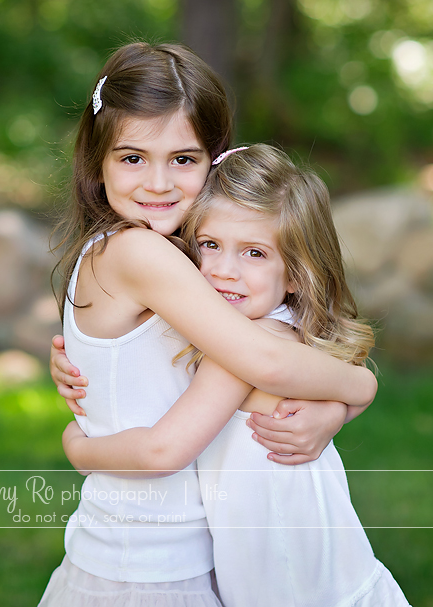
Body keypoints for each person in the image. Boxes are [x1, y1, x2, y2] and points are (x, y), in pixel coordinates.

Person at [38, 42, 377, 607]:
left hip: (163, 554)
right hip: (146, 572)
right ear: (96, 162)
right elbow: (266, 360)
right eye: (131, 158)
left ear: (215, 160)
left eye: (184, 159)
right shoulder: (141, 254)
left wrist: (327, 409)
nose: (158, 183)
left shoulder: (184, 258)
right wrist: (359, 391)